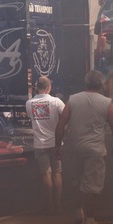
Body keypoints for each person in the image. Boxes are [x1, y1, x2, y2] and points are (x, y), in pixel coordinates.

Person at [55, 70, 113, 224]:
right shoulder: (106, 102)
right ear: (101, 85)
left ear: (86, 83)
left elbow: (61, 124)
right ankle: (90, 221)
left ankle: (78, 213)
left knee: (75, 181)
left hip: (74, 148)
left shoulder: (73, 99)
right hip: (95, 150)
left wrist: (58, 146)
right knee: (92, 186)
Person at [26, 77, 65, 214]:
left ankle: (49, 206)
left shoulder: (29, 103)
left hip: (40, 144)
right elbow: (66, 116)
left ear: (37, 87)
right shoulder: (56, 102)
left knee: (45, 174)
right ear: (49, 87)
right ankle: (59, 205)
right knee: (57, 172)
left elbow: (30, 117)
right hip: (56, 143)